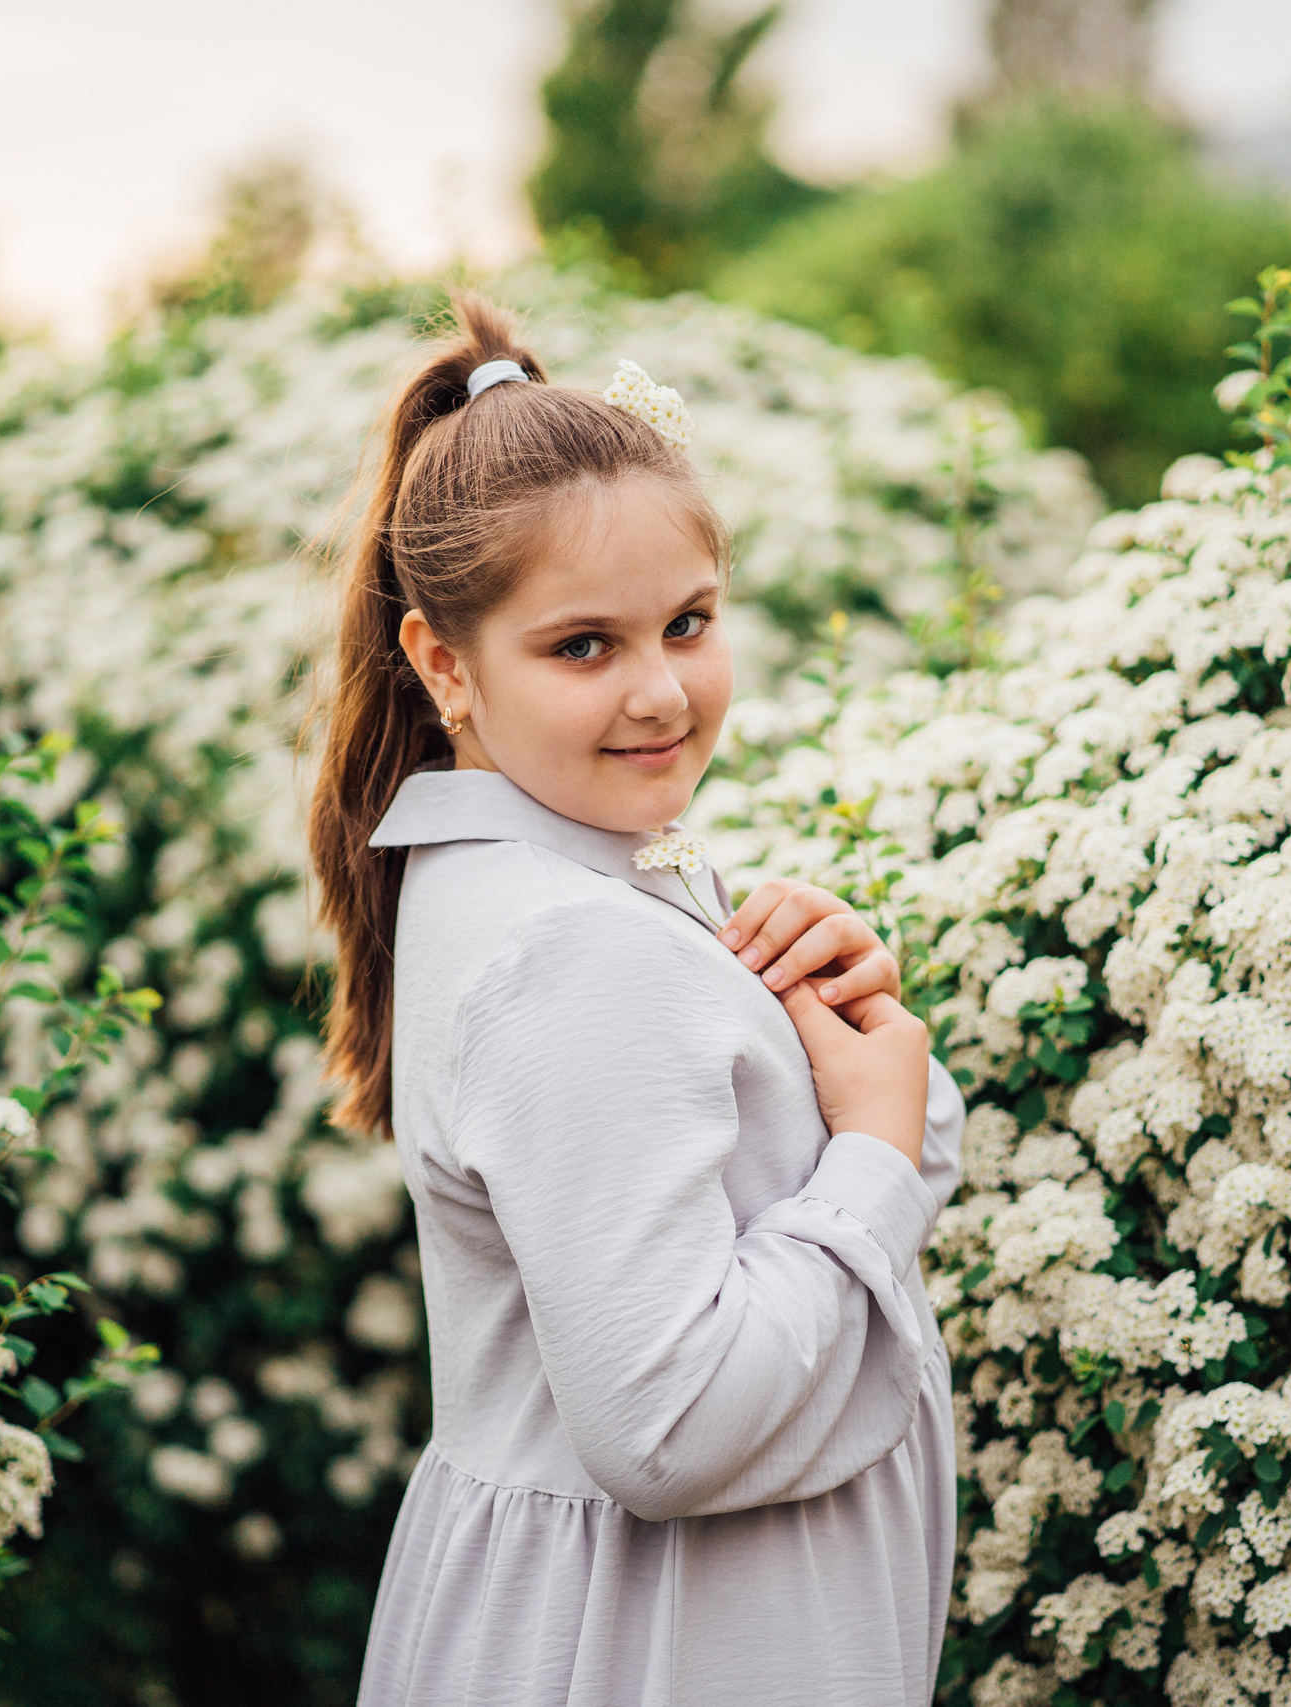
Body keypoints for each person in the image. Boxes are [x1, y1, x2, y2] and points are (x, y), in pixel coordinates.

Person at [309, 291, 964, 1707]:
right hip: (657, 1644)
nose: (662, 693)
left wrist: (840, 1032)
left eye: (688, 622)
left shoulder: (579, 874)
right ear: (443, 665)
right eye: (584, 647)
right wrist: (871, 1146)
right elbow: (670, 1421)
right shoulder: (570, 946)